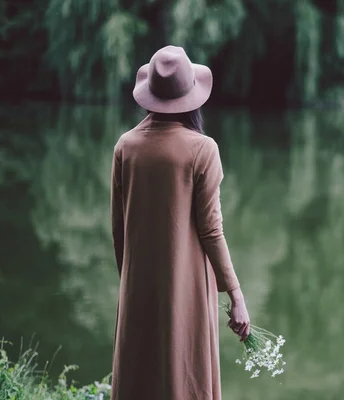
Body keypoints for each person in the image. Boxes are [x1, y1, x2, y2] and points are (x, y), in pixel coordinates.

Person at [110, 45, 250, 400]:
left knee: (140, 370)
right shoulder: (202, 149)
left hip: (138, 281)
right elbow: (211, 229)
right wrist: (235, 293)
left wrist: (130, 281)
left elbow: (119, 226)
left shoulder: (126, 147)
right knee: (184, 369)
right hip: (185, 286)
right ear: (192, 98)